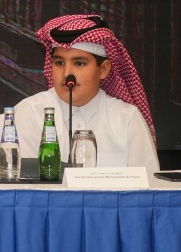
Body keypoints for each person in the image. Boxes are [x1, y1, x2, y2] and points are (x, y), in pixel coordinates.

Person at [13, 14, 158, 170]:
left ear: (103, 69)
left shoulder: (127, 118)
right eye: (59, 63)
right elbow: (23, 180)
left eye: (79, 63)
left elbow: (149, 181)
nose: (67, 74)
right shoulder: (30, 112)